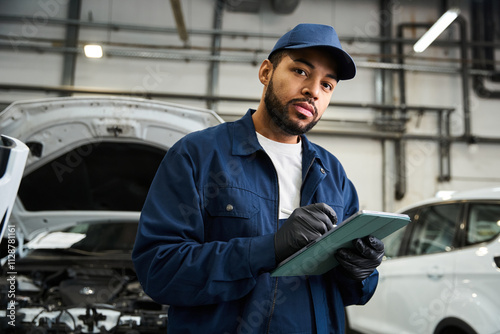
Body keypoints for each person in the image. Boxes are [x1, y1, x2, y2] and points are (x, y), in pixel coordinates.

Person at [132, 23, 384, 334]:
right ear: (266, 72)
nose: (313, 91)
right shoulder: (198, 155)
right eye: (301, 72)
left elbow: (349, 294)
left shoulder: (332, 172)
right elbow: (160, 270)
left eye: (327, 85)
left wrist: (361, 271)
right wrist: (269, 248)